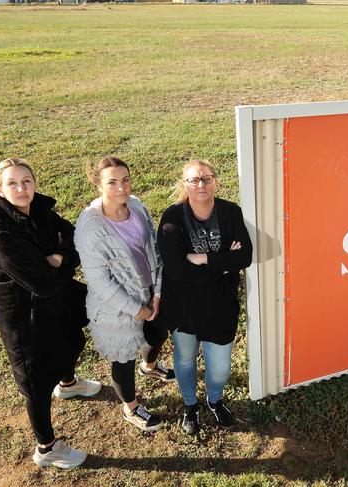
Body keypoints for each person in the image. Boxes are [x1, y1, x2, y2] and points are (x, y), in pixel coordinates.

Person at [0, 158, 101, 469]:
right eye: (12, 183)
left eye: (26, 181)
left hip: (56, 296)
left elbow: (72, 234)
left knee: (72, 337)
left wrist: (60, 256)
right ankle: (46, 447)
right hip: (22, 314)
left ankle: (69, 384)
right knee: (36, 379)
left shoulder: (40, 210)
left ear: (35, 183)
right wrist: (58, 261)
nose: (21, 188)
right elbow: (41, 282)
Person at [74, 156, 173, 432]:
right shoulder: (90, 226)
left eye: (125, 180)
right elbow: (99, 281)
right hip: (115, 308)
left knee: (157, 334)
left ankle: (150, 366)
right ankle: (130, 407)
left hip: (150, 292)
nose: (122, 188)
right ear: (99, 185)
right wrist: (136, 309)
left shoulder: (137, 206)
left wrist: (157, 293)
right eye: (112, 182)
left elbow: (154, 246)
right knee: (123, 357)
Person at [157, 159, 252, 435]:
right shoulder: (173, 217)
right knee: (185, 360)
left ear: (215, 181)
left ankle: (215, 400)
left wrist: (200, 258)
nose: (201, 184)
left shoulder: (230, 212)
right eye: (194, 180)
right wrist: (222, 264)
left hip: (221, 307)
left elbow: (245, 256)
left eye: (206, 178)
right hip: (183, 308)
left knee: (220, 368)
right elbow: (175, 267)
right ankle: (190, 405)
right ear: (184, 185)